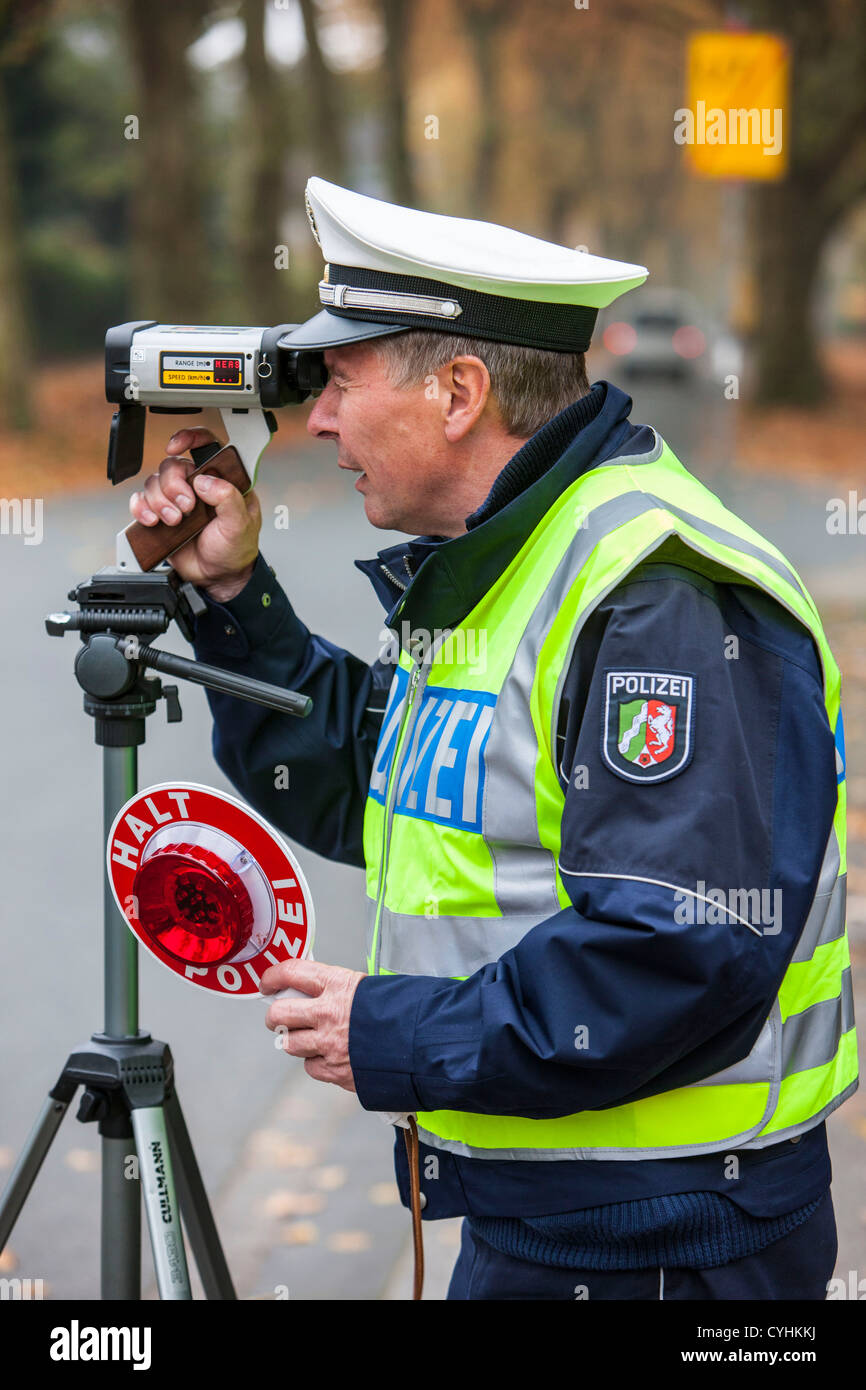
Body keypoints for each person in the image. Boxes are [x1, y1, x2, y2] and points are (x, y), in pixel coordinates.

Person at [129, 177, 856, 1300]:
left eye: (339, 383)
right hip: (554, 1219)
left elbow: (681, 949)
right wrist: (231, 595)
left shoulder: (655, 596)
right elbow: (379, 788)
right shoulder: (507, 560)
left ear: (459, 392)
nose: (315, 421)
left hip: (666, 1247)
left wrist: (399, 1031)